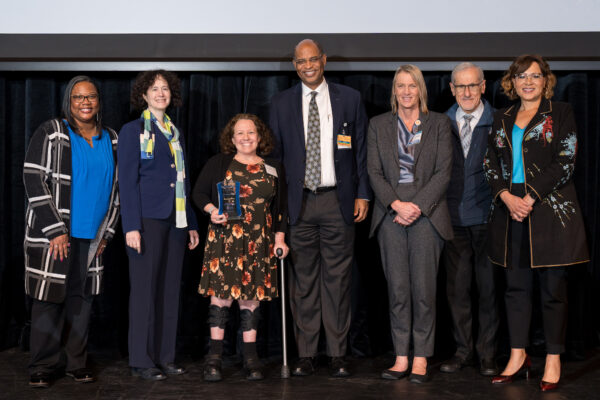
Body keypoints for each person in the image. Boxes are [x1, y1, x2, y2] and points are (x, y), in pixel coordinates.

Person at [484, 54, 588, 391]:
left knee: (552, 290)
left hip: (548, 208)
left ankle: (553, 359)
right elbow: (490, 164)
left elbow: (566, 161)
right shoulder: (501, 117)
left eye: (534, 76)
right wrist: (505, 196)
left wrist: (528, 197)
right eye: (521, 76)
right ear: (512, 82)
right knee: (515, 288)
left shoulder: (561, 113)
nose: (528, 82)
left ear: (546, 80)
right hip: (509, 208)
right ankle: (518, 356)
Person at [269, 39, 371, 377]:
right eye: (301, 61)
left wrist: (363, 194)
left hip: (337, 200)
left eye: (313, 59)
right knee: (303, 282)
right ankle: (308, 354)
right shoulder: (282, 103)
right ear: (294, 65)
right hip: (299, 204)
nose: (308, 66)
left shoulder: (349, 98)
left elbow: (360, 152)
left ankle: (339, 353)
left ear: (324, 61)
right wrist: (280, 206)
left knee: (338, 281)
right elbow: (277, 160)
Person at [23, 75, 120, 388]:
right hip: (56, 235)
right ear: (69, 101)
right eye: (78, 97)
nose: (85, 102)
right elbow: (33, 178)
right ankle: (43, 365)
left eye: (91, 96)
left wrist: (107, 233)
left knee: (82, 301)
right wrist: (55, 230)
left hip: (93, 237)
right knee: (49, 299)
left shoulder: (112, 138)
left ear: (98, 102)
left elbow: (118, 191)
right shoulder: (53, 132)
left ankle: (76, 363)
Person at [367, 65, 453, 383]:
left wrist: (416, 206)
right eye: (400, 86)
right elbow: (373, 171)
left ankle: (421, 357)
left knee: (424, 290)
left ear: (420, 90)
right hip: (390, 214)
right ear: (394, 90)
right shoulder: (378, 125)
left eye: (411, 86)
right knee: (399, 290)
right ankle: (401, 355)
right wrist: (396, 204)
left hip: (427, 215)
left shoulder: (439, 123)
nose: (406, 92)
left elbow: (444, 171)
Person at [193, 113, 289, 381]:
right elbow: (199, 193)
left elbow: (281, 209)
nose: (246, 137)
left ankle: (250, 358)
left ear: (260, 137)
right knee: (221, 298)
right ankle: (214, 358)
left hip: (259, 242)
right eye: (240, 133)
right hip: (225, 239)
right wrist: (212, 210)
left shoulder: (274, 167)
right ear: (232, 138)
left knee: (251, 298)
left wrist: (280, 239)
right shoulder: (219, 163)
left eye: (251, 133)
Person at [118, 70, 199, 381]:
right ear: (143, 94)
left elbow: (182, 181)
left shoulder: (174, 132)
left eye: (165, 88)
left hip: (176, 221)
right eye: (154, 88)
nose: (160, 93)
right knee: (144, 292)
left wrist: (190, 222)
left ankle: (165, 357)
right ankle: (141, 359)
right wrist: (131, 226)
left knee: (168, 292)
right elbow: (127, 181)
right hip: (147, 221)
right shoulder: (132, 130)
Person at [440, 62, 499, 376]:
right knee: (458, 291)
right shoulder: (440, 123)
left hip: (488, 218)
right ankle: (462, 351)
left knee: (488, 289)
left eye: (472, 85)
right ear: (452, 89)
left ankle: (487, 354)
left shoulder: (498, 121)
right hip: (453, 219)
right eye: (460, 86)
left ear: (483, 86)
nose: (466, 92)